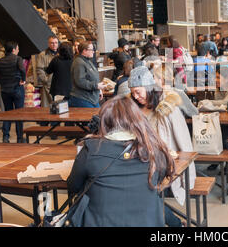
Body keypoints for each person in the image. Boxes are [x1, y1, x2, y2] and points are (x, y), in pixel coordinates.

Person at [67, 95, 175, 227]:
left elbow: (73, 186)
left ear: (104, 121)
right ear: (136, 119)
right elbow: (159, 179)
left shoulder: (91, 149)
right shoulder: (154, 149)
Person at [128, 66, 196, 227]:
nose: (135, 97)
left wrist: (188, 172)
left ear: (149, 88)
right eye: (132, 93)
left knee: (141, 192)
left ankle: (175, 224)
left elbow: (184, 143)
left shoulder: (168, 109)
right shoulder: (133, 108)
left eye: (138, 92)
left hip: (162, 164)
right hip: (139, 160)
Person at [0, 41, 26, 143]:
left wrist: (1, 82)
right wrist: (23, 80)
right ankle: (19, 138)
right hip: (17, 89)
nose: (18, 51)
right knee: (19, 113)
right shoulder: (18, 59)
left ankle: (5, 136)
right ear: (14, 50)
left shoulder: (0, 61)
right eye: (18, 49)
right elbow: (22, 70)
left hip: (5, 91)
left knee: (8, 112)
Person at [69, 41, 105, 108]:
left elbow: (93, 77)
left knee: (99, 116)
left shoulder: (88, 61)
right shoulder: (79, 63)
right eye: (91, 50)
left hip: (92, 98)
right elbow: (80, 82)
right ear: (84, 51)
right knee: (95, 117)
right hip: (83, 98)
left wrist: (99, 90)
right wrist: (96, 86)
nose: (93, 52)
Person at [36, 35, 59, 108]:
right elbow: (39, 69)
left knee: (59, 106)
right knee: (47, 107)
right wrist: (46, 80)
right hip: (47, 85)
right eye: (52, 43)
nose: (54, 44)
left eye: (56, 43)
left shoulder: (61, 54)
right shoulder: (42, 55)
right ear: (48, 44)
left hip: (59, 84)